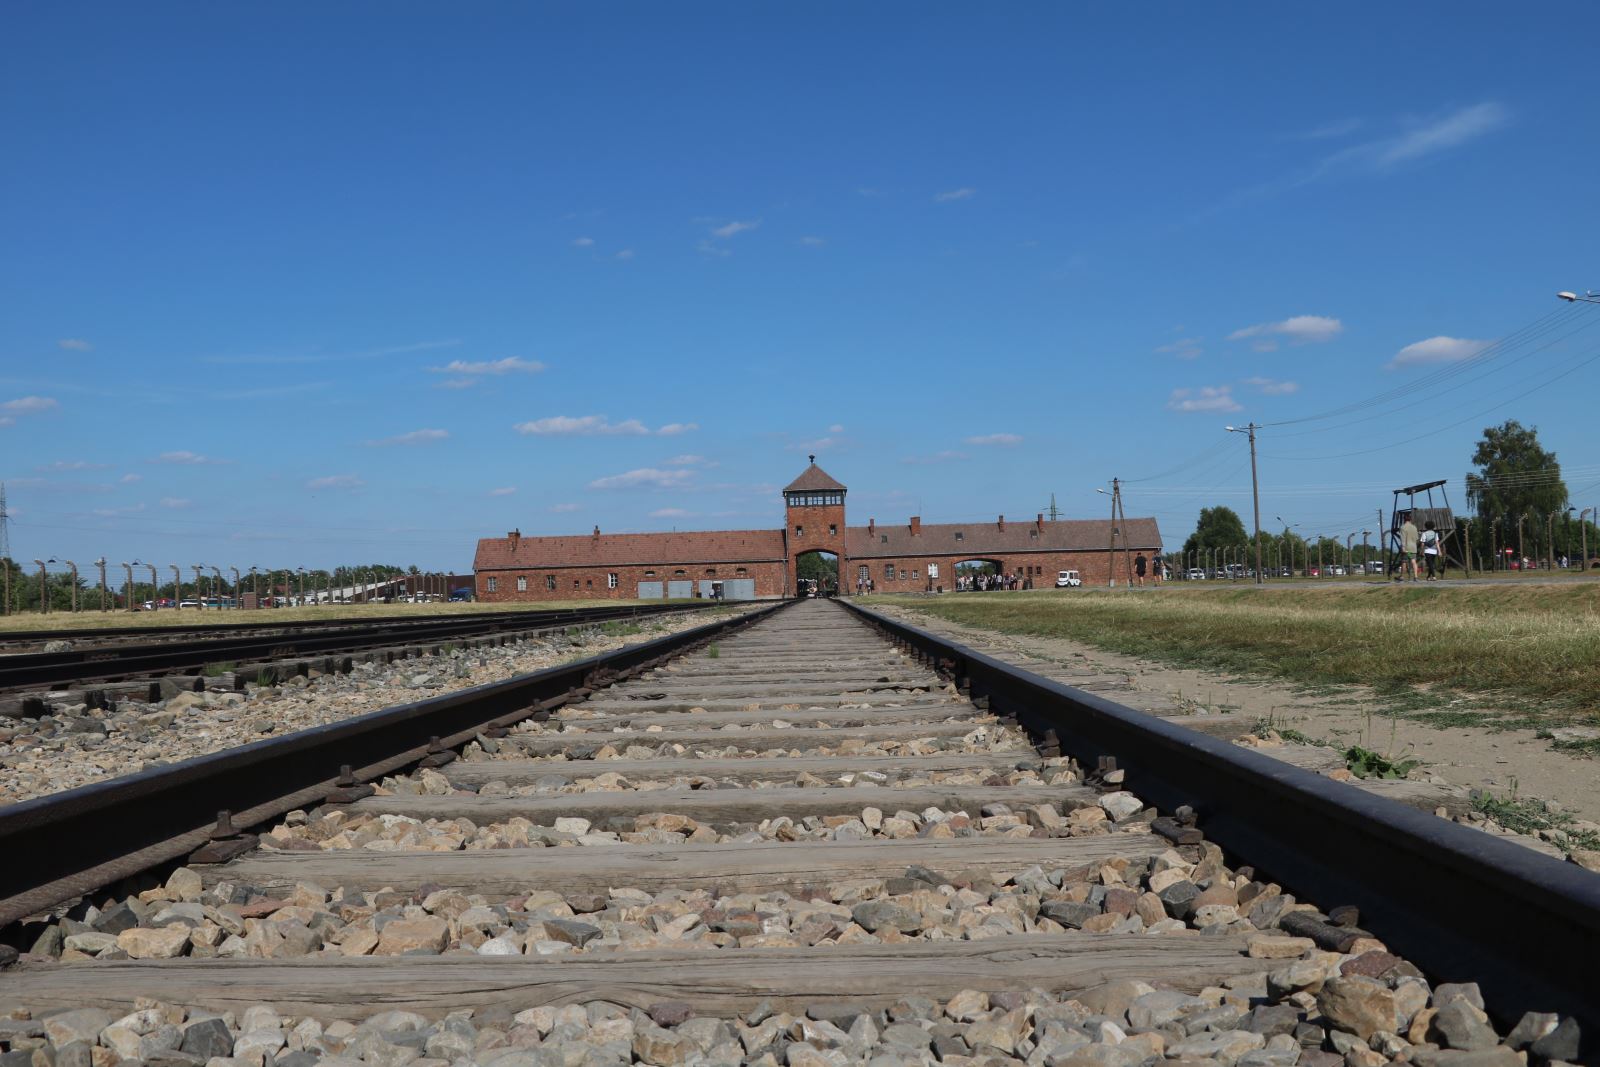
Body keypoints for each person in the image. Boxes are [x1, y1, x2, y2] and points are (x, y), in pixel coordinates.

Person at [1399, 514, 1420, 582]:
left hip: (1406, 548)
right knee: (1413, 561)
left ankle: (1402, 577)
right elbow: (1417, 538)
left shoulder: (1403, 527)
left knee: (1404, 562)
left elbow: (1403, 538)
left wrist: (1403, 547)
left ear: (1404, 519)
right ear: (1410, 519)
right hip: (1413, 548)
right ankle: (1416, 577)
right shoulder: (1414, 527)